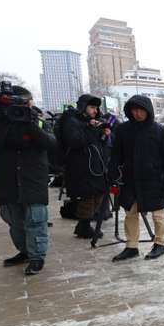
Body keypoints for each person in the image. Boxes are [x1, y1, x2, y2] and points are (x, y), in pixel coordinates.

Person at [0, 86, 56, 275]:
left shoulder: (37, 118)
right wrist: (2, 118)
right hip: (7, 180)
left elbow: (49, 143)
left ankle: (37, 257)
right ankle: (24, 251)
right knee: (14, 221)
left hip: (32, 178)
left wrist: (30, 123)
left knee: (35, 220)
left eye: (25, 103)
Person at [110, 95, 164, 262]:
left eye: (140, 110)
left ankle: (159, 244)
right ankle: (131, 246)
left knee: (158, 213)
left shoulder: (161, 132)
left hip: (154, 180)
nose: (137, 113)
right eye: (133, 110)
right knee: (130, 213)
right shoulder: (123, 130)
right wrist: (112, 175)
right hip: (130, 179)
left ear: (148, 110)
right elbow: (116, 155)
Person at [62, 94, 110, 239]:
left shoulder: (92, 122)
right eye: (92, 107)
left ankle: (83, 224)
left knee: (99, 193)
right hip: (81, 167)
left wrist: (104, 134)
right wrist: (90, 128)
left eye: (96, 108)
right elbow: (75, 141)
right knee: (88, 196)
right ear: (83, 107)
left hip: (96, 166)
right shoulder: (72, 121)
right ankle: (84, 225)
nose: (95, 111)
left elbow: (98, 143)